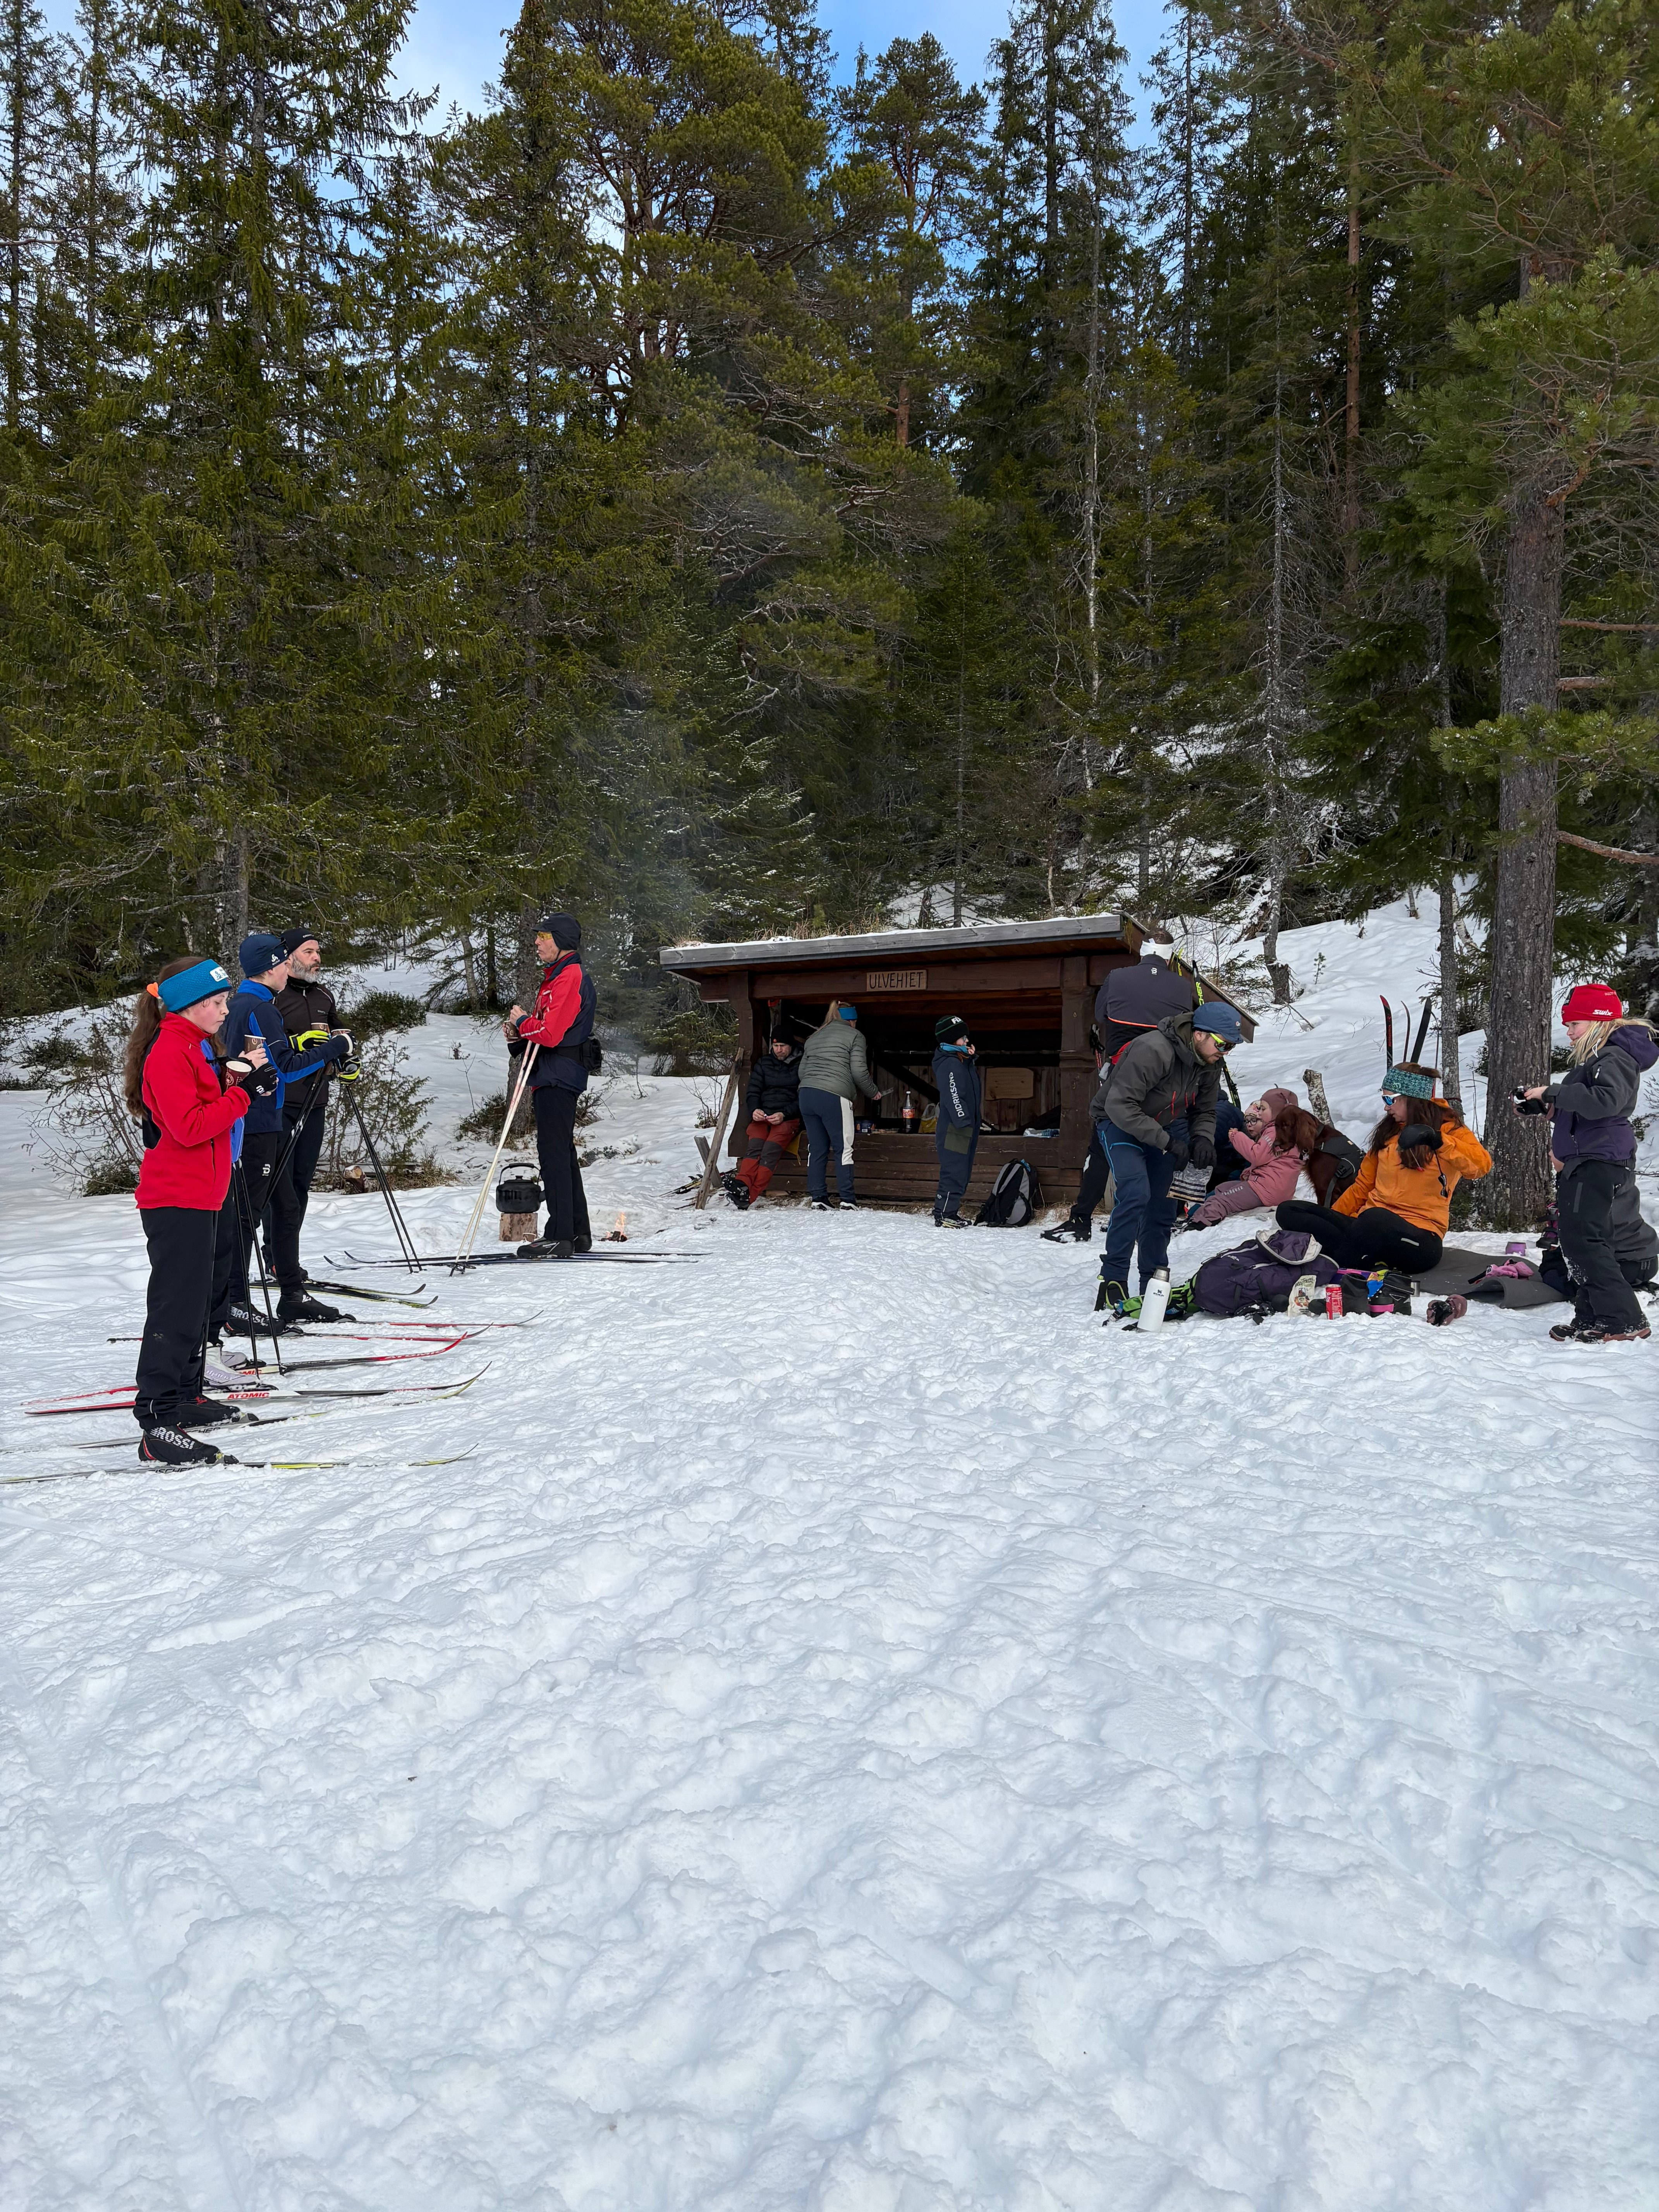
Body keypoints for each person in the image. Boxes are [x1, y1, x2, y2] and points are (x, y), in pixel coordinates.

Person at [125, 955, 274, 1463]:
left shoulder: (194, 1045)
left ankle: (185, 1396)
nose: (224, 1009)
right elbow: (189, 1127)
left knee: (192, 1308)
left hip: (201, 1195)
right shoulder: (170, 1050)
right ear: (193, 1005)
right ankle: (157, 1419)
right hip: (175, 1197)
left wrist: (242, 1086)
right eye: (218, 1002)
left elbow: (206, 1106)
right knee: (174, 1308)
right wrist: (243, 1096)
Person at [223, 933, 353, 1323]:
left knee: (285, 1203)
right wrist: (334, 1049)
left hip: (260, 1117)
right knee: (250, 1212)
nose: (286, 971)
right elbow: (284, 1066)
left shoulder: (245, 1004)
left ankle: (290, 1292)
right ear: (271, 967)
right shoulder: (261, 1008)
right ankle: (235, 1302)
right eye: (283, 963)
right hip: (260, 1120)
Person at [1520, 984, 1657, 1344]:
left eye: (1574, 1024)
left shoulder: (1614, 1057)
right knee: (1579, 1241)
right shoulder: (1601, 1059)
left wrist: (1552, 1091)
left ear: (1598, 1022)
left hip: (1597, 1161)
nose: (1568, 1032)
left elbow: (1607, 1103)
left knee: (1584, 1242)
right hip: (1588, 1159)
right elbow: (1589, 1113)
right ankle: (1592, 1317)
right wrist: (1548, 1108)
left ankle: (1623, 1319)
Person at [1045, 945, 1202, 1242]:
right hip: (1167, 1081)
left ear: (1143, 952)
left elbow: (1101, 1014)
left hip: (1122, 1075)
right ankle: (1159, 1216)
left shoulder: (1117, 977)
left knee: (1102, 1148)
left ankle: (1081, 1218)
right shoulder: (1183, 986)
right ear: (1170, 957)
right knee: (1163, 1145)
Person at [1094, 1001, 1239, 1312]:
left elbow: (1205, 1109)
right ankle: (1113, 1279)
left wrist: (1202, 1138)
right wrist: (1168, 1142)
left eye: (1231, 1047)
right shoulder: (1153, 1050)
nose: (1225, 1052)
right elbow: (1119, 1106)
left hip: (1163, 1125)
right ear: (1200, 1034)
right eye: (1222, 1043)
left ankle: (1154, 1282)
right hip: (1118, 1122)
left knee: (1164, 1205)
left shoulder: (1210, 1062)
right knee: (1135, 1191)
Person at [1275, 1065, 1490, 1275]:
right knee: (1289, 1210)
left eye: (1390, 1100)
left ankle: (1332, 1260)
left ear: (1411, 1098)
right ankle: (1348, 1252)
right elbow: (1361, 1188)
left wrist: (1439, 1141)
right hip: (1367, 1228)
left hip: (1419, 1237)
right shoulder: (1389, 1133)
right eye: (1384, 1100)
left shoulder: (1449, 1130)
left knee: (1376, 1218)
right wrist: (1332, 1219)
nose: (1386, 1108)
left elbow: (1481, 1166)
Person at [507, 911, 596, 1257]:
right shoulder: (557, 975)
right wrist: (518, 1036)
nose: (537, 942)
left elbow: (551, 1032)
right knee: (563, 1154)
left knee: (553, 1154)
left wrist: (524, 1021)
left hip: (559, 1074)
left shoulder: (568, 976)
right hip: (553, 1071)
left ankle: (559, 1235)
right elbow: (544, 1035)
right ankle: (577, 1232)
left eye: (544, 936)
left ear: (560, 940)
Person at [273, 927, 350, 1236]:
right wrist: (295, 1043)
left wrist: (348, 1062)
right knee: (280, 1185)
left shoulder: (324, 995)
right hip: (280, 1104)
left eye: (318, 952)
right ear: (288, 959)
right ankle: (272, 1253)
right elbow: (262, 1046)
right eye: (309, 952)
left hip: (316, 1100)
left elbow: (341, 1034)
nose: (317, 958)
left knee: (303, 1182)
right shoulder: (274, 997)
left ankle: (287, 1257)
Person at [1184, 1088, 1318, 1228]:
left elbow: (1257, 1156)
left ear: (1278, 1111)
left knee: (1222, 1200)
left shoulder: (1275, 1132)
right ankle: (1192, 1214)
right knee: (1222, 1188)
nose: (1259, 1112)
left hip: (1265, 1189)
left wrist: (1237, 1137)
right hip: (1274, 1189)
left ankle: (1198, 1224)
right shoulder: (1290, 1131)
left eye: (1263, 1108)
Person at [797, 1000, 883, 1210]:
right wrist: (874, 1092)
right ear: (852, 1020)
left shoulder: (814, 1037)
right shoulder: (855, 1036)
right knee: (844, 1148)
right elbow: (859, 1072)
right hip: (834, 1097)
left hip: (806, 1095)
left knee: (816, 1149)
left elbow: (802, 1073)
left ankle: (818, 1198)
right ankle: (847, 1200)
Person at [724, 1032, 803, 1209]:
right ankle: (742, 1185)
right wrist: (755, 1110)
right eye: (775, 1046)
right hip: (764, 1116)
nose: (779, 1050)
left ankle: (749, 1196)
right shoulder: (764, 1063)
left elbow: (804, 1097)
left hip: (787, 1118)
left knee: (769, 1152)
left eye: (783, 1046)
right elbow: (753, 1092)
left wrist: (785, 1114)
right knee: (754, 1148)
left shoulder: (802, 1064)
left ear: (791, 1046)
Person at [931, 1015, 982, 1226]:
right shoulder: (949, 1063)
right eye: (962, 1038)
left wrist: (969, 1059)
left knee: (963, 1170)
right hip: (956, 1126)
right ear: (952, 1040)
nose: (967, 1041)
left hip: (965, 1125)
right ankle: (943, 1214)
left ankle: (950, 1211)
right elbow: (953, 1094)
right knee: (954, 1170)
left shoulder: (960, 1061)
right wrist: (963, 1120)